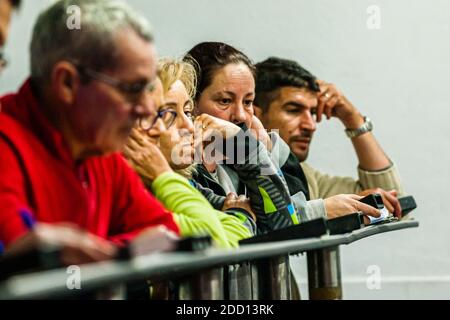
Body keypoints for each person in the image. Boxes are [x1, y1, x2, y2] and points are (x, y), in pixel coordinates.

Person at [0, 0, 180, 265]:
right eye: (131, 89)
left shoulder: (98, 149)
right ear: (67, 83)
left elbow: (163, 232)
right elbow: (22, 260)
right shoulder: (7, 143)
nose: (146, 109)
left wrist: (108, 255)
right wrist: (121, 255)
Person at [184, 42, 382, 229]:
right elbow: (274, 226)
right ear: (191, 103)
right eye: (225, 100)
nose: (241, 116)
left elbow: (286, 209)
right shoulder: (180, 164)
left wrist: (266, 147)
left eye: (248, 102)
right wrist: (319, 211)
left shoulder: (245, 155)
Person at [254, 57, 404, 220]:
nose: (311, 125)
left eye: (312, 112)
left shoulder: (305, 175)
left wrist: (352, 118)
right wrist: (321, 211)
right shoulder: (237, 173)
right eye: (294, 110)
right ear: (255, 114)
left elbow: (395, 204)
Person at [123, 59, 252, 248]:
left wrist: (242, 141)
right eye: (167, 114)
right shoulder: (129, 192)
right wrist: (241, 216)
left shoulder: (187, 183)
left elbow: (282, 219)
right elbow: (213, 244)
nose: (189, 126)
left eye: (188, 112)